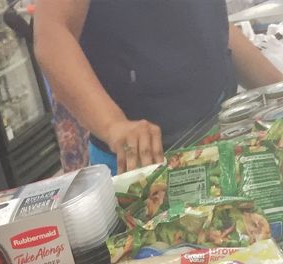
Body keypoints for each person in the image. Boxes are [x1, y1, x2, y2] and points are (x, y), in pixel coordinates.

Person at [33, 0, 283, 173]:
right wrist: (114, 124)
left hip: (218, 134)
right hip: (144, 160)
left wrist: (277, 88)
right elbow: (52, 36)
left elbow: (208, 26)